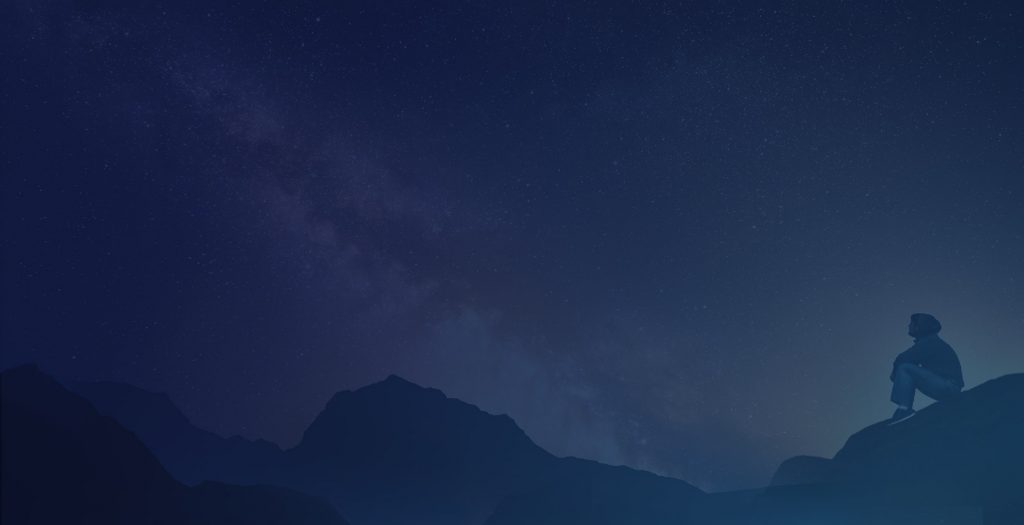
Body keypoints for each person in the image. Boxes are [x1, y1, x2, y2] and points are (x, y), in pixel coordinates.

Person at [888, 313, 964, 425]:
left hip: (948, 386)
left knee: (905, 368)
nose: (909, 326)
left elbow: (903, 359)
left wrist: (895, 375)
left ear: (919, 326)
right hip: (948, 385)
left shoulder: (930, 342)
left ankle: (904, 409)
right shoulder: (931, 342)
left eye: (912, 324)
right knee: (906, 367)